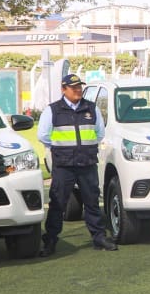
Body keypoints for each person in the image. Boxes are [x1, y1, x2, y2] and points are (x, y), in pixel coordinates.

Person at [37, 73, 116, 255]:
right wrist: (62, 147)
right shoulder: (53, 110)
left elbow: (99, 133)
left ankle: (99, 238)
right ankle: (50, 241)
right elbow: (43, 135)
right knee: (58, 204)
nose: (78, 90)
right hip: (64, 164)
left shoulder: (91, 108)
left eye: (80, 87)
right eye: (74, 88)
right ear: (64, 90)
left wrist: (84, 148)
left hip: (87, 163)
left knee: (92, 202)